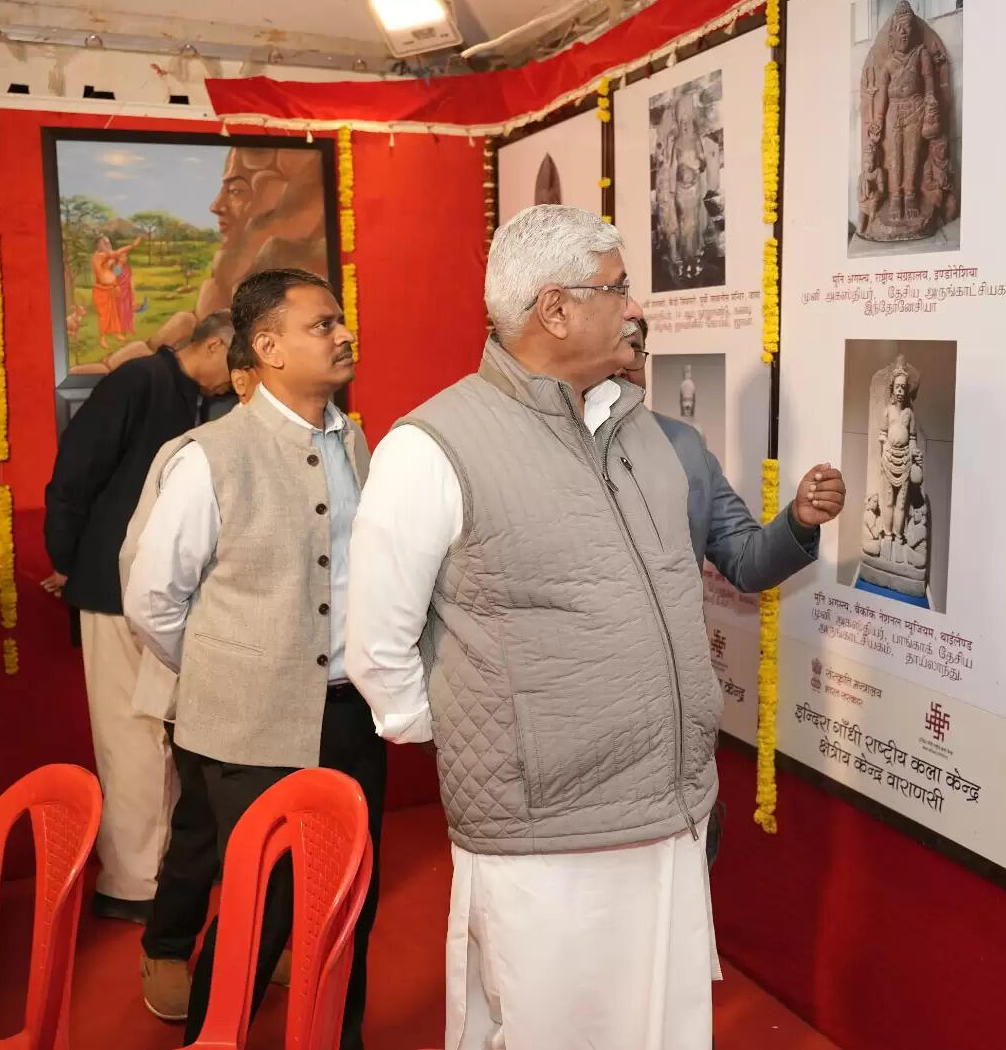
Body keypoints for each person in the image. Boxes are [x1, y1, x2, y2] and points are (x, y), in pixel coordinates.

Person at [347, 204, 720, 1050]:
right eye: (617, 288)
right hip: (543, 836)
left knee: (661, 1026)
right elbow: (377, 646)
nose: (633, 307)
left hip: (667, 814)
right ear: (554, 309)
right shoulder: (434, 444)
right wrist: (492, 727)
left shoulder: (639, 433)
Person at [123, 269, 377, 1050]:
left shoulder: (356, 438)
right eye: (321, 324)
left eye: (341, 321)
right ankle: (214, 1035)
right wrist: (226, 670)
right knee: (262, 907)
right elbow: (153, 601)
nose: (342, 334)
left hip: (347, 712)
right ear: (266, 347)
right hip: (244, 727)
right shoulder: (207, 455)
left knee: (349, 904)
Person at [623, 318, 845, 866]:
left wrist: (797, 520)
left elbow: (745, 562)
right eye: (620, 347)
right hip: (589, 735)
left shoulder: (683, 447)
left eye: (638, 351)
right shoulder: (549, 455)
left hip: (678, 728)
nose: (631, 366)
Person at [40, 312, 233, 929]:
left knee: (166, 734)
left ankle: (165, 870)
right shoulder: (139, 382)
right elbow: (73, 477)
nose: (243, 377)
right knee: (130, 734)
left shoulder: (195, 399)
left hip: (161, 590)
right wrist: (69, 562)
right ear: (211, 344)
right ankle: (132, 880)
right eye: (239, 361)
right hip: (110, 585)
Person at [127, 329, 267, 1021]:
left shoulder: (330, 446)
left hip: (287, 693)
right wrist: (207, 662)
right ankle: (169, 943)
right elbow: (145, 579)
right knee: (202, 829)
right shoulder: (190, 457)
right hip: (207, 687)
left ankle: (261, 943)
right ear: (242, 378)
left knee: (272, 828)